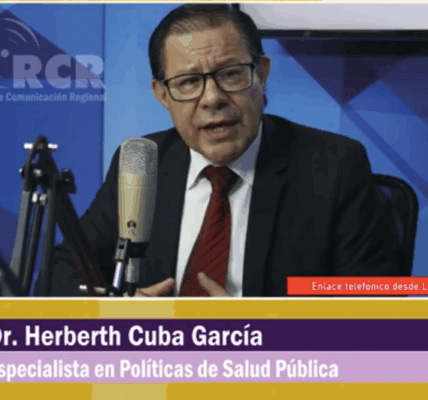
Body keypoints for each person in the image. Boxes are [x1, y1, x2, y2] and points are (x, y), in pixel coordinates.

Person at [35, 4, 399, 297]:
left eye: (231, 74)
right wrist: (120, 310)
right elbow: (60, 277)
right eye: (188, 82)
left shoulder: (334, 166)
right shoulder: (144, 164)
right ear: (162, 95)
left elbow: (376, 304)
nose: (212, 98)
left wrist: (256, 331)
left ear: (262, 74)